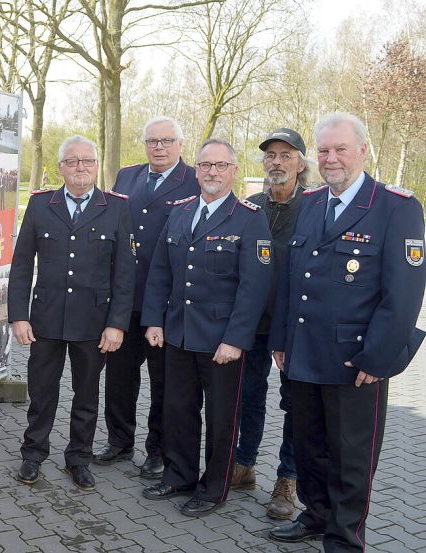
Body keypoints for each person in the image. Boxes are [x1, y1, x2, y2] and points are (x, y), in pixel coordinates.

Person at [268, 112, 426, 550]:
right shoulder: (312, 202)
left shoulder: (396, 206)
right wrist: (281, 340)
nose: (331, 158)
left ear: (362, 150)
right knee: (309, 447)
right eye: (323, 150)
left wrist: (377, 358)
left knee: (351, 458)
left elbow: (404, 295)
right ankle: (316, 515)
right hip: (303, 356)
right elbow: (291, 279)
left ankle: (344, 535)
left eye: (340, 148)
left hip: (354, 361)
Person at [140, 139, 272, 516]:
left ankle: (213, 488)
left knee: (220, 418)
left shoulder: (249, 217)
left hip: (220, 341)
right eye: (205, 165)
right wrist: (153, 320)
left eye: (220, 166)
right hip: (178, 333)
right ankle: (179, 475)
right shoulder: (180, 211)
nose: (212, 172)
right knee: (177, 410)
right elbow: (161, 271)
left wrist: (236, 339)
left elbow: (255, 286)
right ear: (195, 170)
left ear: (233, 171)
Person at [8, 135, 134, 490]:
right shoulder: (39, 205)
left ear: (96, 166)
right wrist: (19, 315)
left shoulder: (116, 207)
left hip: (94, 322)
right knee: (42, 392)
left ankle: (79, 458)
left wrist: (117, 325)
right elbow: (21, 265)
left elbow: (124, 273)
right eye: (73, 161)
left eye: (88, 161)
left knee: (86, 395)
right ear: (61, 167)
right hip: (45, 319)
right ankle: (33, 454)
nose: (81, 167)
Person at [100, 116, 201, 477]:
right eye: (152, 141)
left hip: (166, 302)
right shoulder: (128, 176)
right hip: (126, 298)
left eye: (166, 141)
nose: (158, 147)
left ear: (180, 144)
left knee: (164, 382)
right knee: (120, 376)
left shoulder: (194, 179)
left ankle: (158, 449)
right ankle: (119, 440)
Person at [229, 128, 310, 520]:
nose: (276, 161)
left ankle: (287, 481)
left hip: (296, 328)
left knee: (294, 403)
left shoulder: (313, 208)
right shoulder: (251, 207)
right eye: (270, 155)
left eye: (285, 155)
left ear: (301, 163)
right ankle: (243, 464)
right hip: (254, 324)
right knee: (248, 395)